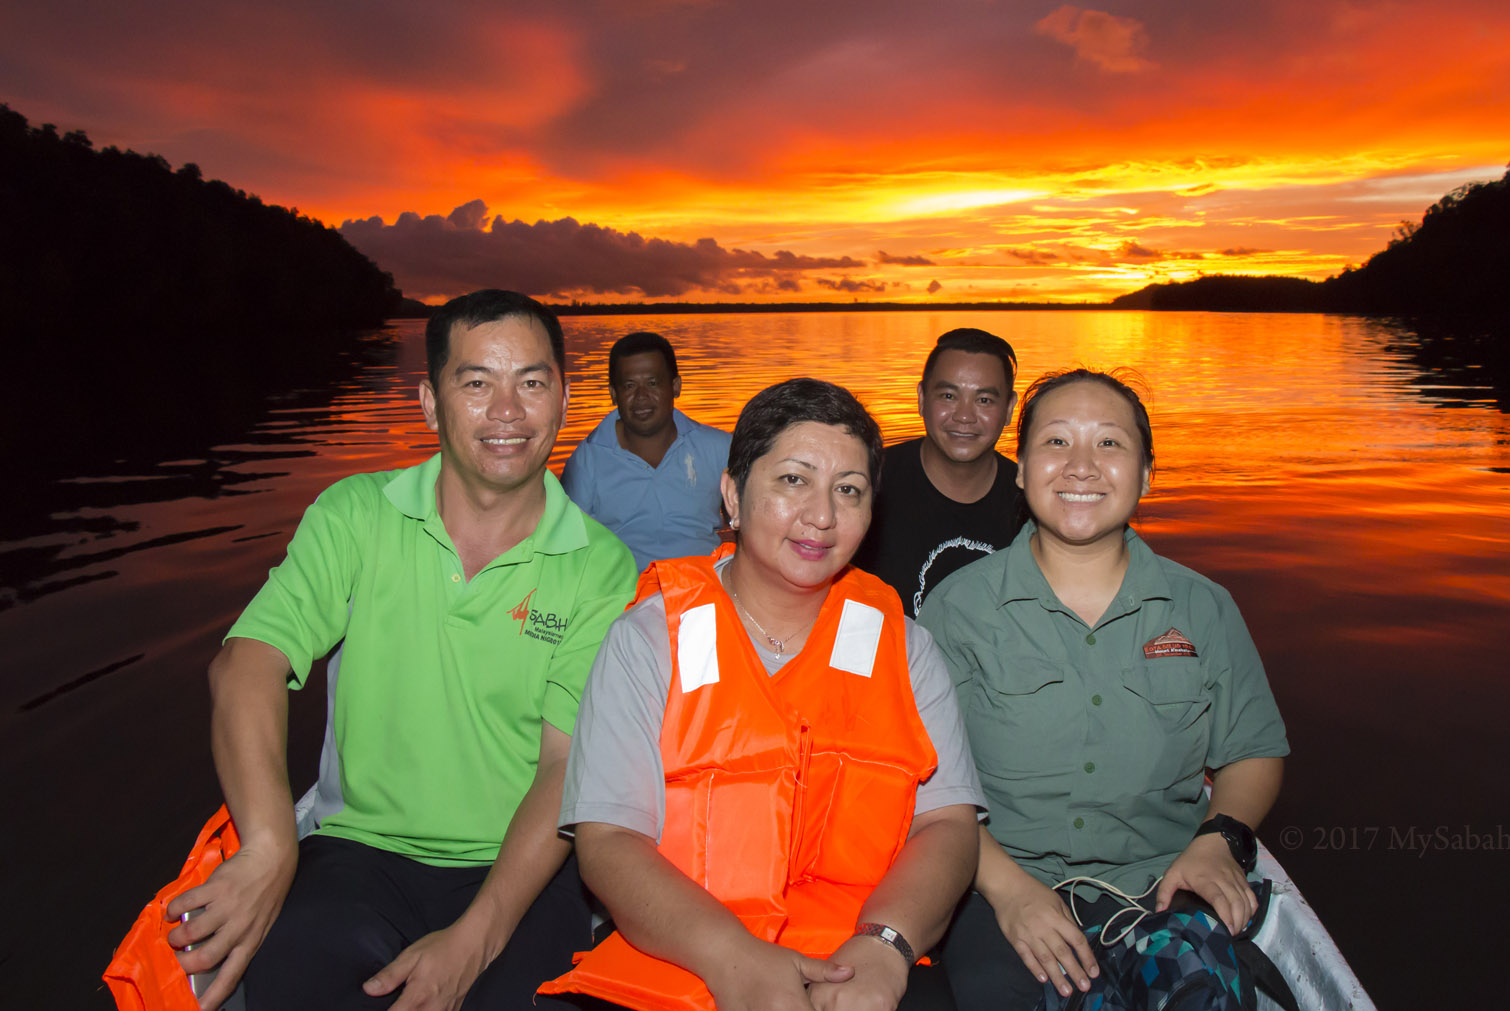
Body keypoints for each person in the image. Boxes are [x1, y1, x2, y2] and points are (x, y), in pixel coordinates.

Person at [165, 290, 638, 1011]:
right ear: (429, 402)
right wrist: (268, 844)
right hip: (358, 852)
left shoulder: (600, 565)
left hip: (519, 868)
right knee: (293, 980)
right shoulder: (356, 515)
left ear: (564, 400)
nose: (507, 411)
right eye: (477, 383)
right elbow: (246, 661)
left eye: (532, 382)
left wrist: (473, 939)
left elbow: (565, 765)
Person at [539, 378, 985, 1011]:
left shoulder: (906, 649)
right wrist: (733, 958)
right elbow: (608, 842)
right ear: (733, 496)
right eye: (793, 480)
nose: (823, 516)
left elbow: (947, 824)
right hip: (681, 957)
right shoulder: (648, 642)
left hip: (856, 963)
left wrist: (885, 945)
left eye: (849, 490)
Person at [917, 369, 1289, 1011]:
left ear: (1145, 475)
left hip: (1163, 881)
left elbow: (1252, 749)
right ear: (1022, 470)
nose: (1081, 467)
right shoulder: (958, 609)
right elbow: (923, 784)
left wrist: (1218, 838)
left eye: (1110, 444)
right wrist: (1009, 894)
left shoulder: (1203, 607)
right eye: (1056, 443)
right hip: (999, 884)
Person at [853, 328, 1021, 615]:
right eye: (948, 395)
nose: (964, 416)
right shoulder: (866, 483)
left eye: (984, 400)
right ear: (921, 398)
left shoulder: (1033, 503)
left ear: (1008, 409)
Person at [562, 332, 732, 571]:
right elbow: (568, 551)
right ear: (613, 394)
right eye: (629, 386)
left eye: (653, 383)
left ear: (675, 386)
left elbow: (754, 521)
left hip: (705, 592)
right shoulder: (587, 461)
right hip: (625, 598)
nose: (641, 397)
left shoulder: (719, 448)